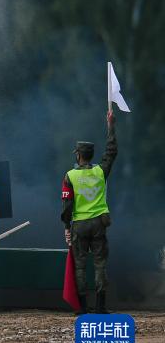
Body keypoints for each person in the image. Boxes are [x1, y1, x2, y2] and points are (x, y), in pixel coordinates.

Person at [62, 109, 117, 314]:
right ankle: (101, 306)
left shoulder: (70, 176)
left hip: (80, 224)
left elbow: (67, 204)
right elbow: (111, 151)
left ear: (78, 155)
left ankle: (83, 307)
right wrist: (111, 125)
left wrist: (66, 227)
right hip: (99, 223)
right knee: (100, 264)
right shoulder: (100, 171)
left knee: (80, 266)